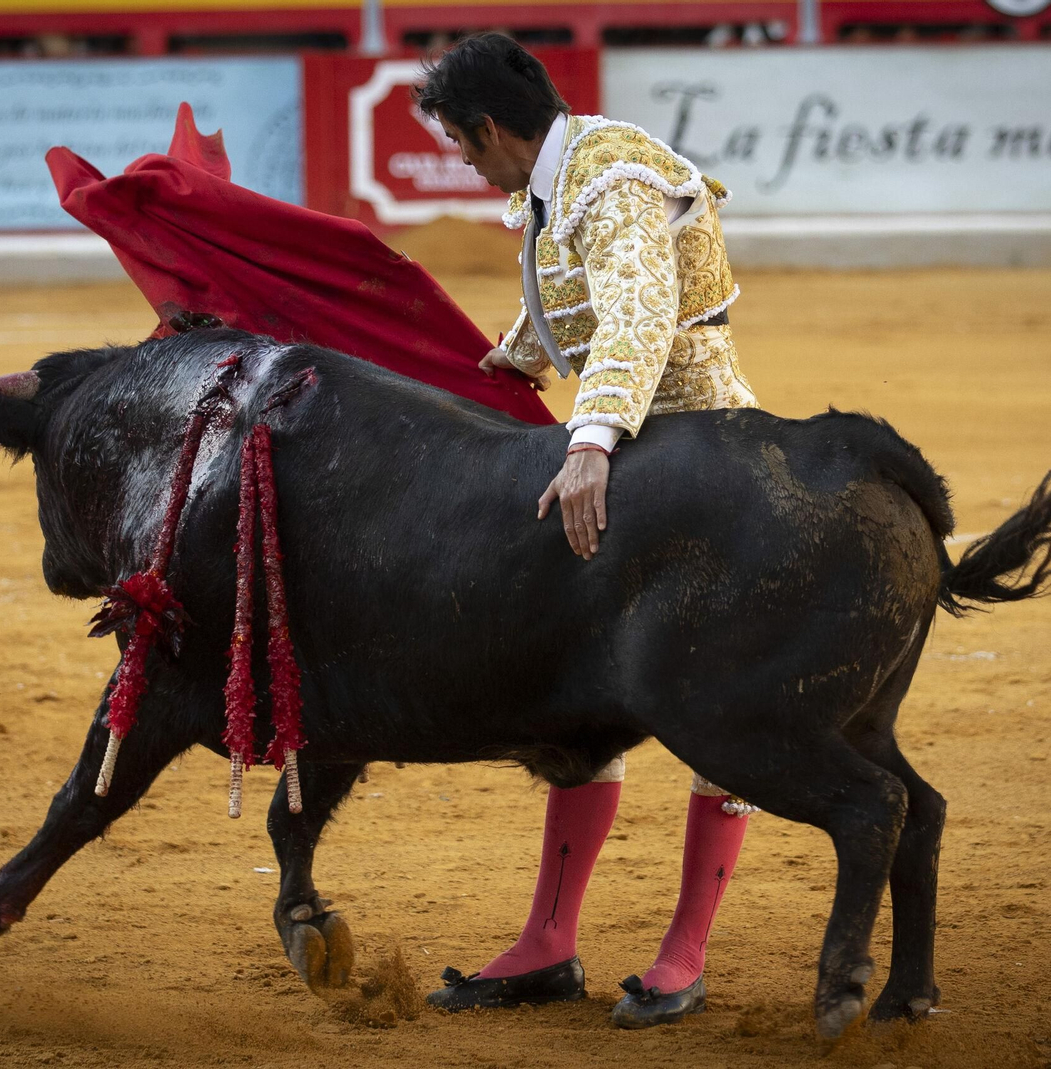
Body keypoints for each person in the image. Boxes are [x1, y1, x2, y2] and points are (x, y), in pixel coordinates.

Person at [414, 32, 760, 1029]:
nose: (470, 168)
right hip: (629, 445)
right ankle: (549, 941)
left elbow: (638, 317)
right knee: (576, 685)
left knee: (712, 688)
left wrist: (590, 442)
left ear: (491, 129)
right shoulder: (558, 174)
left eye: (466, 149)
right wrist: (501, 360)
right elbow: (562, 300)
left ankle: (684, 949)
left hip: (703, 455)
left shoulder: (609, 177)